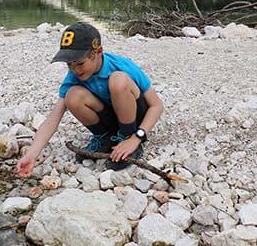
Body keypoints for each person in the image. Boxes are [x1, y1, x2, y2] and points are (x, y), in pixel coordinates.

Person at [16, 22, 163, 176]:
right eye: (69, 64)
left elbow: (157, 106)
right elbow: (52, 119)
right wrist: (31, 154)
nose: (75, 69)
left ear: (98, 52)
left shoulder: (121, 65)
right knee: (71, 96)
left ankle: (126, 138)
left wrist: (137, 137)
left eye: (80, 63)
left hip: (135, 120)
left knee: (118, 81)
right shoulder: (73, 77)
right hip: (111, 119)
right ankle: (105, 139)